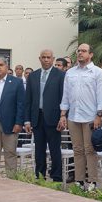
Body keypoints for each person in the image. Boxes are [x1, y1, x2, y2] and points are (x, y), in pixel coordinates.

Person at [58, 43, 102, 192]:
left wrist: (99, 115)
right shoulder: (70, 72)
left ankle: (92, 182)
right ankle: (79, 181)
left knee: (90, 150)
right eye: (79, 51)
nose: (80, 53)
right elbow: (65, 95)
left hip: (91, 117)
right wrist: (63, 114)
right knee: (77, 150)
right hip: (73, 116)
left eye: (84, 51)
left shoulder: (98, 72)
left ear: (91, 54)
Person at [24, 49, 65, 181]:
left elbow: (64, 98)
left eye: (48, 57)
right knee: (39, 150)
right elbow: (28, 100)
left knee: (55, 150)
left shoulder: (60, 75)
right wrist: (27, 121)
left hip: (53, 118)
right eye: (43, 57)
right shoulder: (33, 76)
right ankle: (40, 176)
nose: (46, 60)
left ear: (53, 59)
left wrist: (62, 117)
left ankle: (56, 177)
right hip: (37, 118)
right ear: (39, 58)